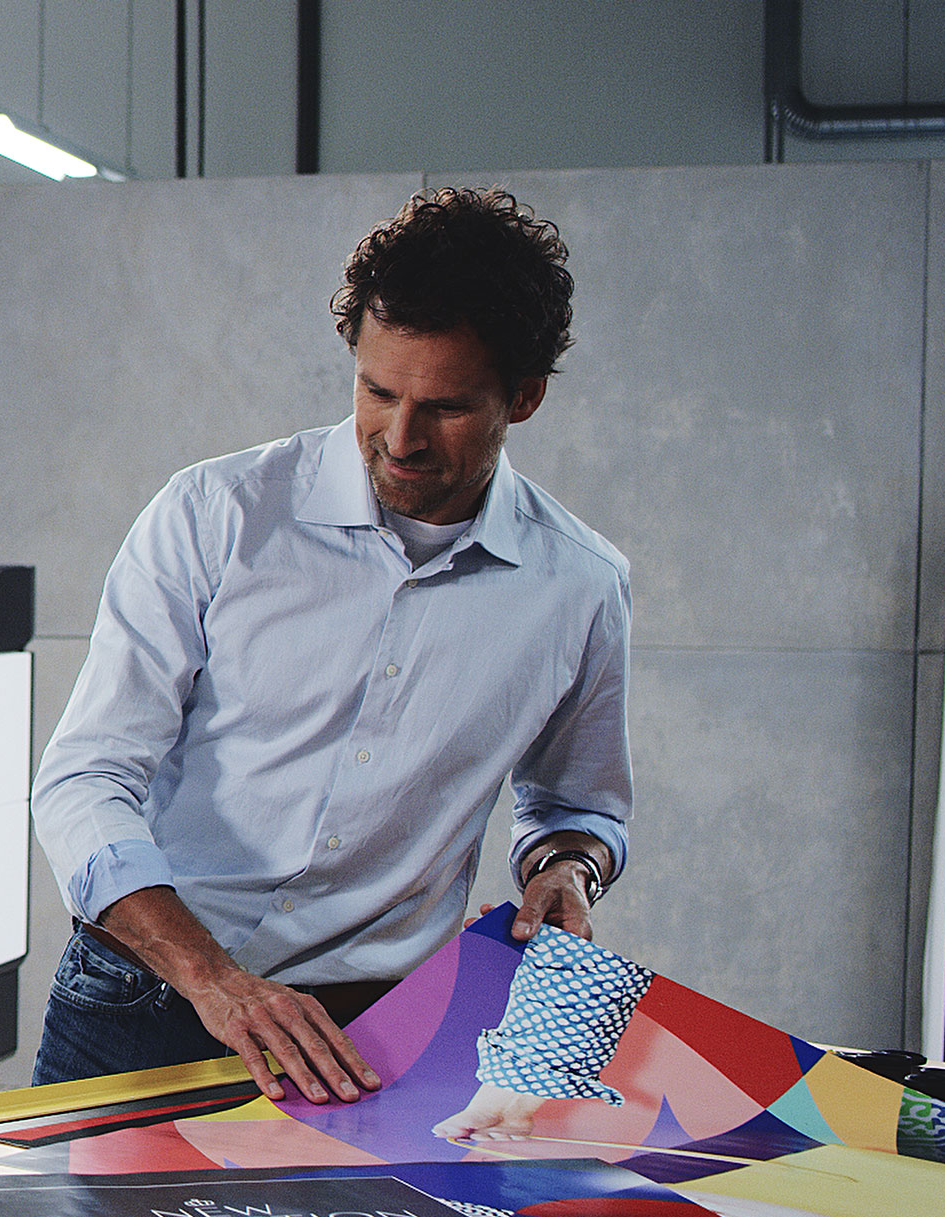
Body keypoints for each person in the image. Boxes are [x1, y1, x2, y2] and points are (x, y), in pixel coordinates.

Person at [31, 188, 630, 1112]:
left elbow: (578, 803)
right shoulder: (214, 515)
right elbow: (84, 779)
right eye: (378, 391)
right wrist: (216, 982)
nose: (400, 438)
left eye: (446, 408)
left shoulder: (580, 586)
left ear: (524, 395)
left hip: (382, 1035)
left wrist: (564, 868)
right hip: (144, 1000)